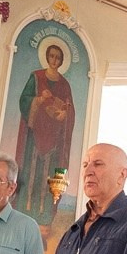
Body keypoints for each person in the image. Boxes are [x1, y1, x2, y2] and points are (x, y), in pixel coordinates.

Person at [14, 43, 77, 225]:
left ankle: (43, 216)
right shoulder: (36, 77)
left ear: (61, 61)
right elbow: (24, 101)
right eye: (52, 56)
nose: (54, 60)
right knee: (30, 171)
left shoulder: (64, 84)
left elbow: (69, 109)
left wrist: (65, 114)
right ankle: (24, 211)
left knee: (48, 175)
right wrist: (40, 99)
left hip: (54, 138)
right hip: (35, 134)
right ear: (47, 57)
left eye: (58, 57)